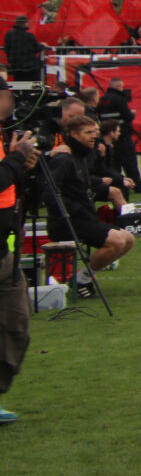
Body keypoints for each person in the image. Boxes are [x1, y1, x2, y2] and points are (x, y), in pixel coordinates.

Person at [41, 115, 136, 299]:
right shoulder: (64, 158)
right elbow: (49, 192)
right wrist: (72, 209)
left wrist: (102, 188)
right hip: (66, 221)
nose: (93, 136)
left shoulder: (84, 155)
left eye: (95, 132)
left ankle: (82, 278)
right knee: (116, 241)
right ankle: (82, 281)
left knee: (128, 238)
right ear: (74, 134)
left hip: (84, 217)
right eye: (88, 132)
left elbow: (84, 184)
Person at [0, 78, 41, 423]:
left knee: (17, 321)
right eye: (6, 95)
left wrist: (22, 166)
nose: (12, 101)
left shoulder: (2, 138)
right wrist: (16, 159)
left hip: (3, 249)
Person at [97, 79, 141, 193]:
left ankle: (118, 184)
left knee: (114, 163)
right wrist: (132, 114)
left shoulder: (102, 100)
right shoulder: (119, 99)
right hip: (122, 136)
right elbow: (127, 116)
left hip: (108, 137)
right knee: (130, 162)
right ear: (119, 86)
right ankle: (138, 186)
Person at [3, 18, 42, 83]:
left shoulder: (9, 34)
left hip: (15, 66)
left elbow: (6, 49)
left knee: (18, 85)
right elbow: (36, 48)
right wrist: (43, 46)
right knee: (34, 85)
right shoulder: (29, 35)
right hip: (30, 67)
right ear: (25, 23)